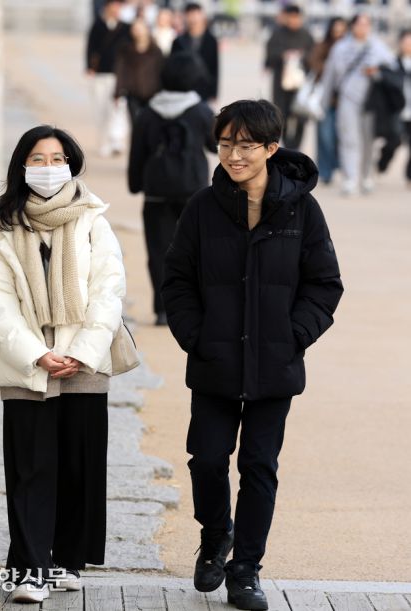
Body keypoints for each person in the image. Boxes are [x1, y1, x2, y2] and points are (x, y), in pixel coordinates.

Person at [162, 100, 343, 611]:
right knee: (207, 459)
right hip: (215, 361)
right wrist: (196, 336)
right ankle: (216, 534)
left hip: (274, 366)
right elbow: (176, 280)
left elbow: (325, 285)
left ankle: (245, 571)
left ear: (270, 148)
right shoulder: (202, 206)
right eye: (225, 145)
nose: (234, 156)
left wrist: (293, 336)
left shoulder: (301, 209)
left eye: (245, 146)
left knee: (260, 466)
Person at [0, 125, 126, 604]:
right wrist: (36, 354)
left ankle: (64, 559)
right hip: (28, 366)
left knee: (78, 466)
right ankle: (28, 568)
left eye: (56, 158)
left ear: (71, 163)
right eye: (37, 159)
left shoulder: (92, 221)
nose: (47, 168)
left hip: (83, 361)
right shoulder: (2, 229)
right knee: (30, 467)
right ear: (22, 167)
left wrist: (80, 352)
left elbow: (109, 291)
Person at [128, 52, 216, 326]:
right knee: (197, 248)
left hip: (156, 192)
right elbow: (215, 146)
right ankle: (194, 306)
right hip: (194, 191)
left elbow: (137, 153)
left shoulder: (147, 113)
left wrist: (135, 183)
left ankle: (163, 310)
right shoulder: (201, 111)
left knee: (159, 251)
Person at [318, 13, 395, 196]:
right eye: (359, 24)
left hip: (371, 102)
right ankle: (350, 179)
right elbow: (330, 75)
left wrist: (377, 72)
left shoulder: (378, 47)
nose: (362, 27)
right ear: (352, 26)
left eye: (366, 24)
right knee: (348, 140)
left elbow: (392, 70)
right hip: (347, 100)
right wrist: (323, 101)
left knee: (368, 141)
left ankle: (366, 176)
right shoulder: (340, 47)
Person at [264, 5, 315, 150]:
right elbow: (270, 56)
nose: (293, 20)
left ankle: (295, 147)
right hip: (281, 85)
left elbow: (313, 57)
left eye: (296, 17)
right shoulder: (277, 34)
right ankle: (285, 145)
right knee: (281, 116)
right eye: (290, 17)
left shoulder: (306, 35)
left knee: (300, 117)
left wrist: (301, 56)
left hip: (301, 86)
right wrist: (283, 55)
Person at [87, 0, 133, 156]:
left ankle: (117, 140)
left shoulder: (126, 28)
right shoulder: (98, 25)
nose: (116, 8)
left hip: (119, 75)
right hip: (100, 74)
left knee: (118, 107)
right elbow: (90, 47)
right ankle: (104, 142)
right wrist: (89, 66)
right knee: (101, 109)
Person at [306, 17, 348, 184]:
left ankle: (338, 165)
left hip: (345, 101)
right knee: (324, 137)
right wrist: (331, 68)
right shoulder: (322, 46)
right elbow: (313, 63)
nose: (338, 33)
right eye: (336, 30)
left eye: (342, 30)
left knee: (342, 138)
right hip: (324, 100)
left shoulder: (350, 48)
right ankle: (325, 171)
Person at [376, 29, 411, 185]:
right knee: (394, 141)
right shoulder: (392, 63)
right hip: (398, 110)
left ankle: (409, 176)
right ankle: (383, 162)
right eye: (407, 42)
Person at [114, 18, 165, 120]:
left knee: (151, 124)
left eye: (140, 28)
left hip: (153, 93)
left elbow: (161, 72)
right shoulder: (126, 50)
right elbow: (120, 72)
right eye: (135, 29)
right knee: (135, 123)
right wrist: (117, 92)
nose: (138, 32)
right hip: (133, 93)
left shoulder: (156, 51)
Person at [171, 3, 219, 103]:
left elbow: (215, 67)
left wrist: (214, 92)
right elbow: (173, 67)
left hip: (204, 88)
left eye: (196, 14)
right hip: (183, 90)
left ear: (202, 16)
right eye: (190, 15)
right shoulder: (179, 41)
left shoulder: (211, 40)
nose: (193, 19)